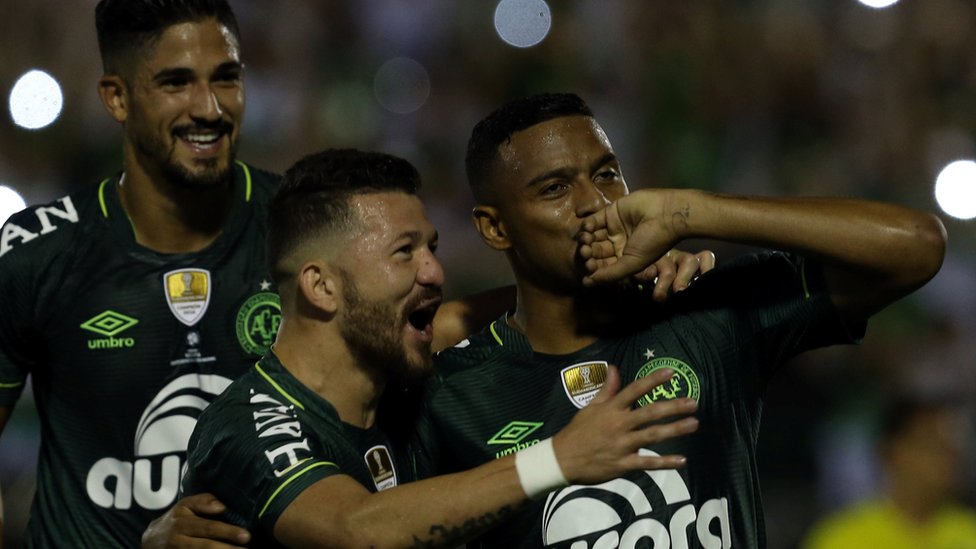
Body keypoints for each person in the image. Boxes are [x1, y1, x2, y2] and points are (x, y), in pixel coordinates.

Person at [416, 92, 947, 548]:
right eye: (554, 189)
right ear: (494, 228)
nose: (594, 203)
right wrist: (454, 319)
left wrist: (693, 212)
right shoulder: (451, 392)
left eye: (606, 175)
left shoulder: (703, 315)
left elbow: (916, 247)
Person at [178, 148, 702, 548]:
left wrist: (626, 272)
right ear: (321, 287)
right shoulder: (252, 423)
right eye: (403, 253)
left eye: (431, 247)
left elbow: (474, 315)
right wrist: (559, 459)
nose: (434, 271)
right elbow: (355, 530)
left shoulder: (400, 382)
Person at [803, 395, 976, 549]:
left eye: (950, 447)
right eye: (931, 444)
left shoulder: (970, 530)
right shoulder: (842, 537)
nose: (945, 456)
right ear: (892, 452)